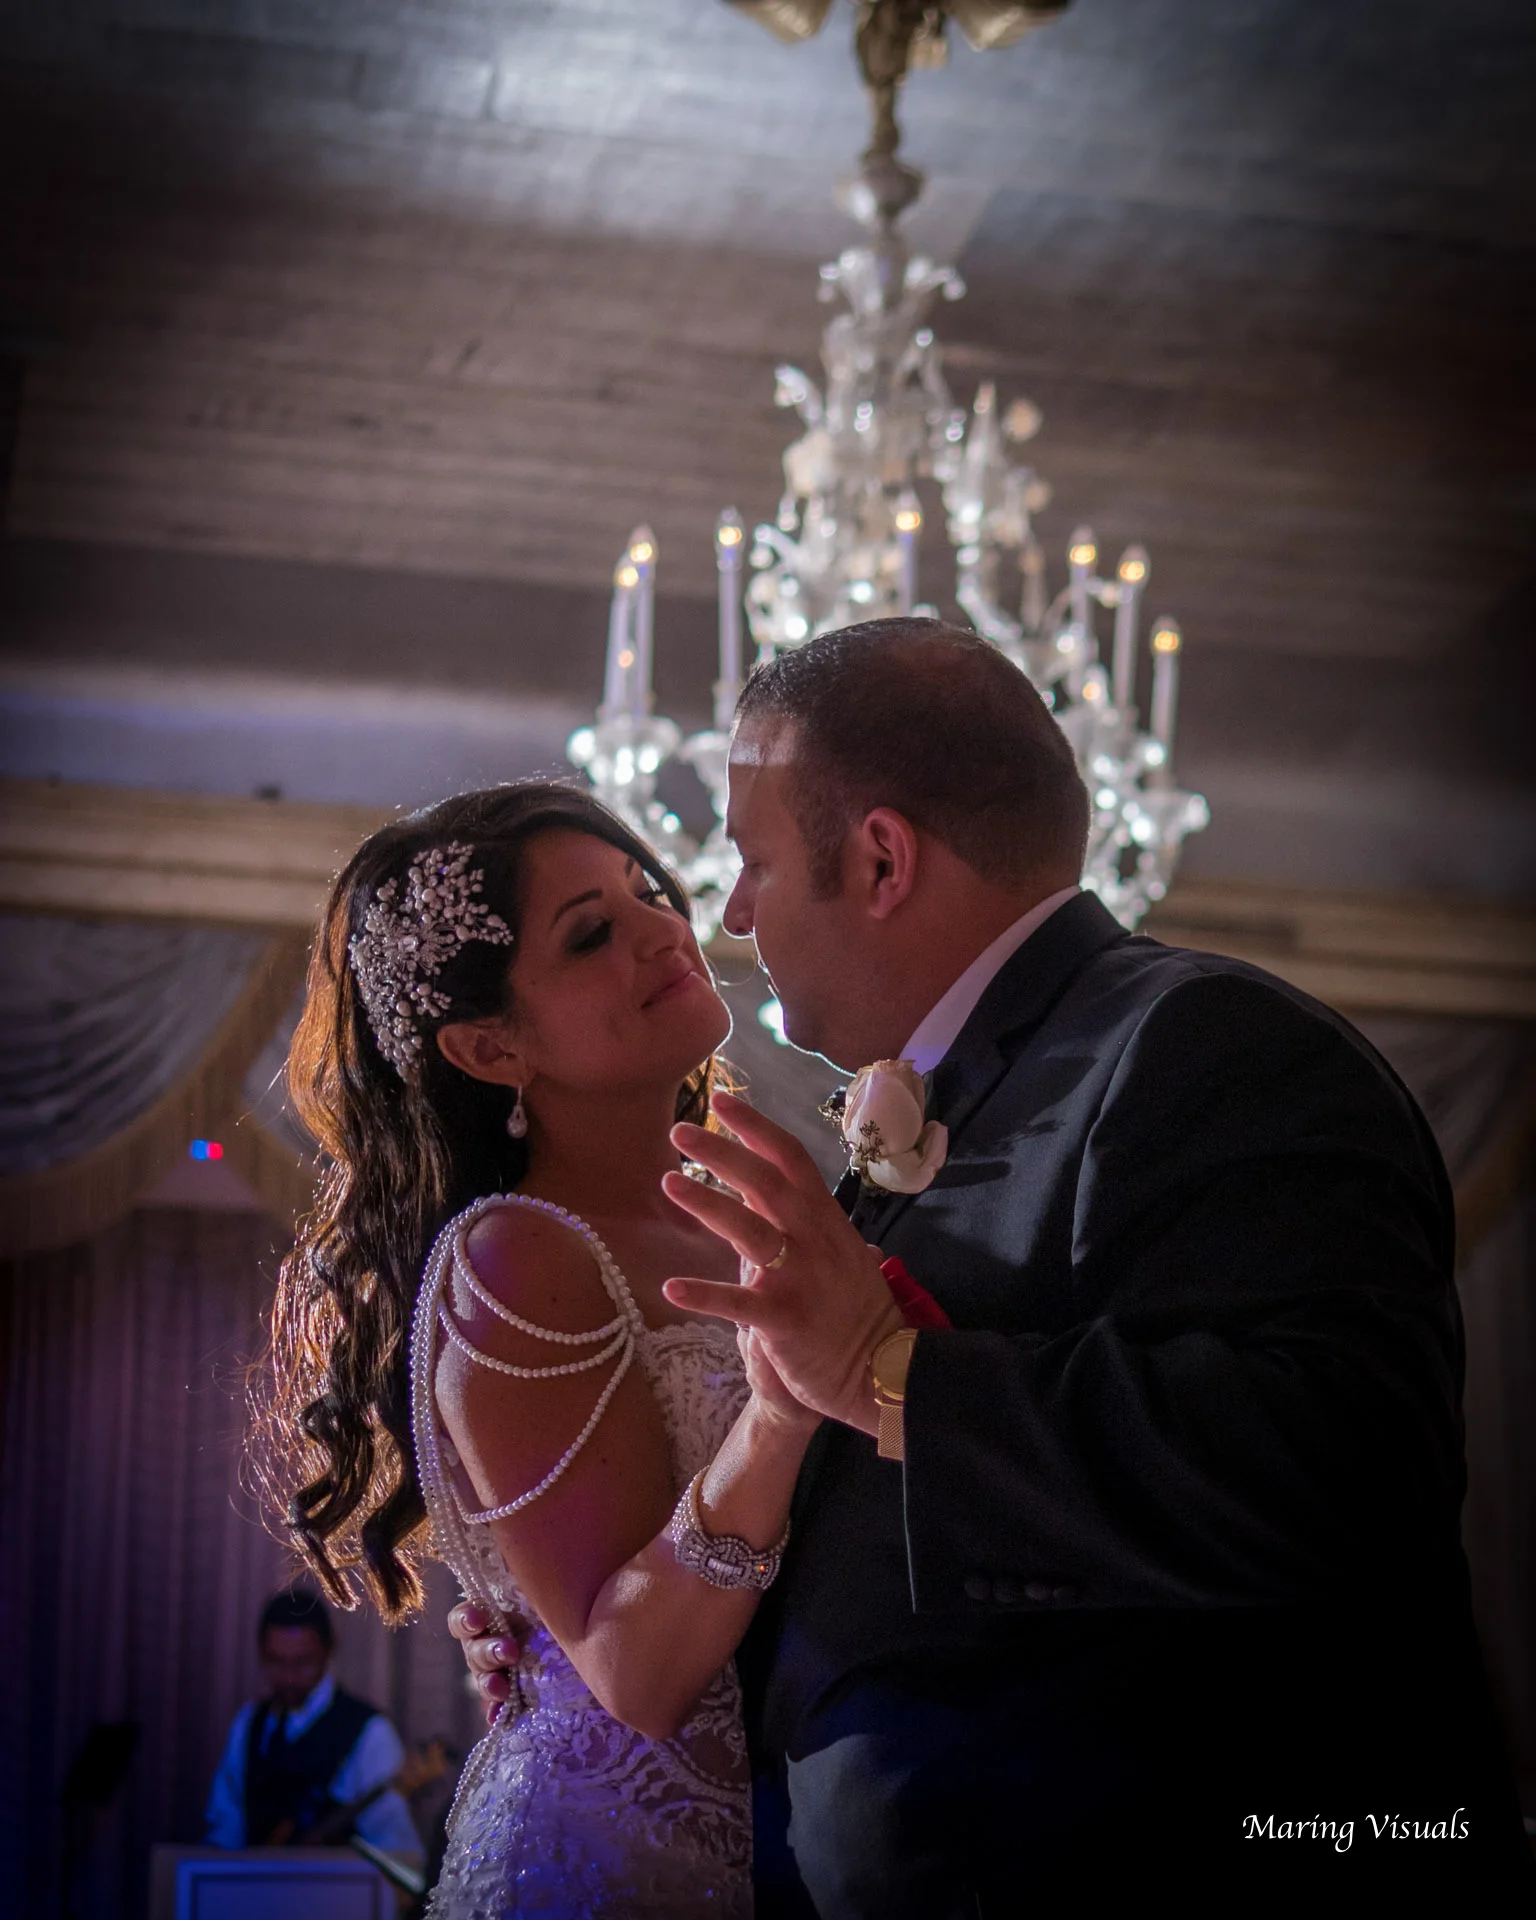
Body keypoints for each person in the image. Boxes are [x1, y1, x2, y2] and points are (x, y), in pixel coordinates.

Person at [458, 618, 1533, 1910]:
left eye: (749, 863)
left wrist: (889, 1373)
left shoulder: (1204, 1042)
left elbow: (1343, 1464)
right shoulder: (922, 1112)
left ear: (881, 857)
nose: (728, 913)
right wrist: (583, 1663)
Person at [262, 782, 859, 1916]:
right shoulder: (517, 1259)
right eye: (592, 933)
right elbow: (635, 1674)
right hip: (621, 1862)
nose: (662, 929)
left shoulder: (752, 1197)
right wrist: (781, 1414)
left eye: (645, 892)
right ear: (492, 1046)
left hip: (817, 1826)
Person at [205, 1587, 421, 1857]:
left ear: (329, 1651)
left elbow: (396, 1852)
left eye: (302, 1663)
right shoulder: (249, 1723)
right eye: (275, 1662)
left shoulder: (370, 1732)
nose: (288, 1677)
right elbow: (226, 1827)